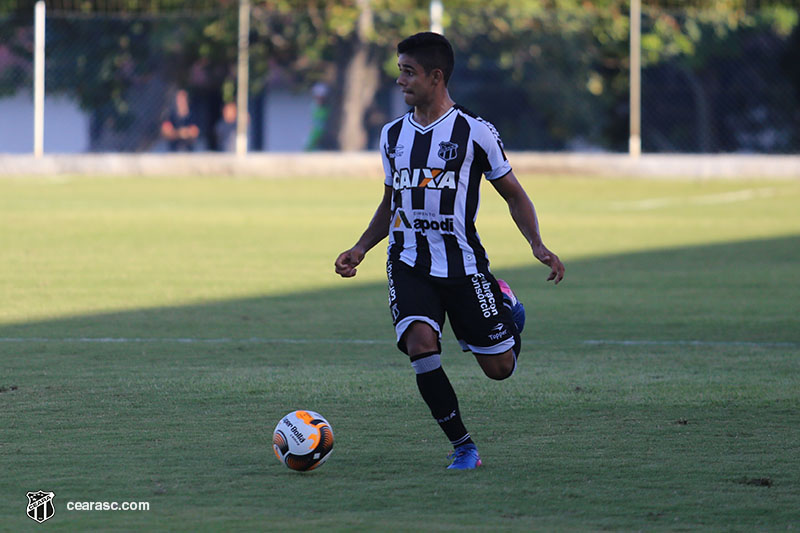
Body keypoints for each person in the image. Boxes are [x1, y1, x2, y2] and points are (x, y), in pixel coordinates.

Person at [334, 32, 565, 470]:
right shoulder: (391, 135)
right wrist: (361, 248)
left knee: (499, 369)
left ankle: (506, 305)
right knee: (421, 345)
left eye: (408, 72)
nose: (400, 80)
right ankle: (463, 446)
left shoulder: (476, 133)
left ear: (435, 77)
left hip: (462, 265)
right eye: (399, 70)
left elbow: (514, 194)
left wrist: (536, 244)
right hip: (407, 262)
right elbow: (392, 203)